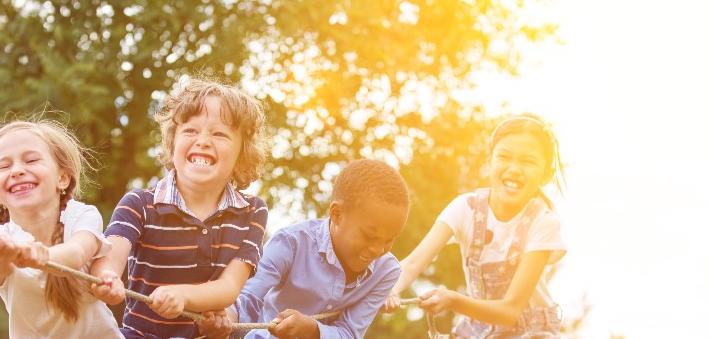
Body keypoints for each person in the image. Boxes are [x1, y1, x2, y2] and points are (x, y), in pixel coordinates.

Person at [90, 78, 271, 339]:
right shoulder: (139, 204)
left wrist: (182, 295)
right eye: (190, 131)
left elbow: (230, 286)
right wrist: (105, 279)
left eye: (219, 134)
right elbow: (110, 257)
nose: (204, 141)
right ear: (172, 143)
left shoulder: (252, 212)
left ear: (242, 154)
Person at [382, 114, 567, 338]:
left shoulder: (543, 223)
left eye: (527, 161)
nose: (514, 168)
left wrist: (451, 299)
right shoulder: (465, 208)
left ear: (546, 174)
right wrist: (389, 289)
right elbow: (412, 264)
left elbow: (510, 310)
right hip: (480, 330)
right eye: (505, 157)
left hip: (529, 332)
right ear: (489, 163)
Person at [0, 118, 122, 338]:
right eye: (4, 166)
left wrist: (41, 256)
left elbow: (77, 252)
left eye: (30, 160)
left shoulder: (82, 216)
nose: (17, 171)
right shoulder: (3, 235)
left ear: (63, 178)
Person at [198, 159, 411, 339]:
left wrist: (312, 330)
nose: (378, 249)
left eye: (390, 240)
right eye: (368, 236)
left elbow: (350, 333)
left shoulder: (387, 271)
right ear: (336, 214)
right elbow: (250, 296)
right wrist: (226, 318)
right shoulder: (291, 243)